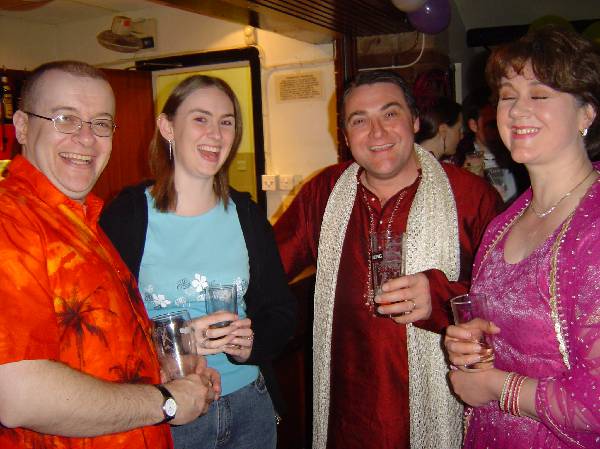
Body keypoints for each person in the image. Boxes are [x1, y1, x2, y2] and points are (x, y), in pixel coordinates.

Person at [274, 70, 502, 449]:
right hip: (347, 411)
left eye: (390, 114)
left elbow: (507, 304)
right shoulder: (324, 192)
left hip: (437, 407)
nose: (376, 133)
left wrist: (440, 297)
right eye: (359, 121)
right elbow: (267, 266)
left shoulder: (471, 197)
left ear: (415, 121)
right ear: (345, 136)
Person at [0, 61, 220, 448]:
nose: (86, 138)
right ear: (22, 126)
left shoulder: (84, 220)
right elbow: (16, 395)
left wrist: (166, 367)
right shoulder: (11, 221)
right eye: (65, 119)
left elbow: (91, 351)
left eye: (101, 123)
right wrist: (167, 402)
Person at [100, 74, 297, 449]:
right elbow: (102, 326)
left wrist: (251, 343)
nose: (216, 134)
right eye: (200, 119)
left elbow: (281, 311)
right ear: (167, 127)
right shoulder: (126, 216)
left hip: (249, 405)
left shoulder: (247, 215)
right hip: (169, 412)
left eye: (226, 122)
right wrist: (180, 339)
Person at [444, 26, 600, 448]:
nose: (517, 110)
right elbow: (501, 332)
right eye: (507, 95)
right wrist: (470, 345)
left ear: (587, 113)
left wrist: (497, 386)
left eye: (540, 94)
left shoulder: (594, 227)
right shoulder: (503, 225)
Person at [457, 87, 529, 202]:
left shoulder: (520, 155)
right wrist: (466, 180)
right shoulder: (461, 160)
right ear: (474, 125)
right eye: (492, 125)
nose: (499, 130)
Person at [415, 96, 463, 161]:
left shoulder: (420, 160)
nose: (462, 136)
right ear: (443, 130)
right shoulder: (425, 164)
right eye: (459, 130)